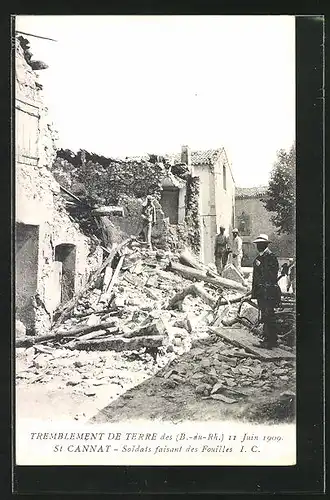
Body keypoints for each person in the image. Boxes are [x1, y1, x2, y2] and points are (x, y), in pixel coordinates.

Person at [251, 233, 281, 349]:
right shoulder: (258, 258)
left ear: (266, 245)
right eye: (258, 244)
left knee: (269, 315)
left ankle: (271, 341)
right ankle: (267, 339)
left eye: (261, 244)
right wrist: (254, 293)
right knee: (264, 315)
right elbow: (255, 278)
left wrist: (260, 265)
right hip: (261, 293)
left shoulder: (270, 257)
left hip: (269, 292)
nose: (259, 246)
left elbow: (271, 276)